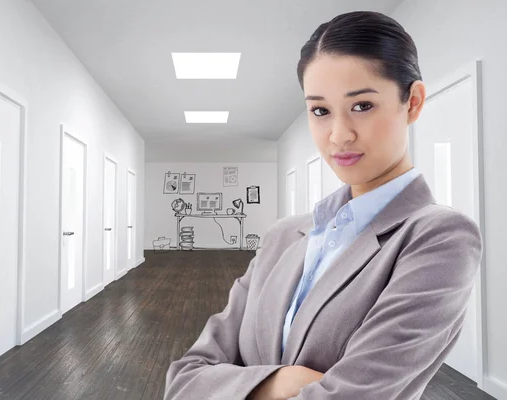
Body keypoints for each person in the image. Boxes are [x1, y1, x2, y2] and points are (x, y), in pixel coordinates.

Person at [164, 10, 483, 400]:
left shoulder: (439, 238)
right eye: (320, 110)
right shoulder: (283, 236)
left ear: (413, 102)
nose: (339, 135)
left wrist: (236, 385)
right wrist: (278, 382)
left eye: (362, 105)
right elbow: (184, 379)